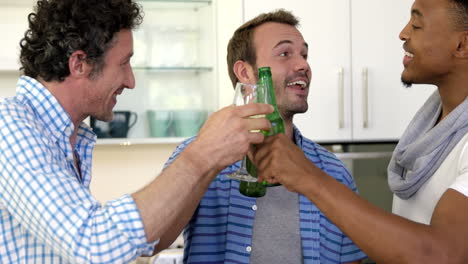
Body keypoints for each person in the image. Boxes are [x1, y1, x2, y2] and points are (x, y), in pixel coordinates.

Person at [0, 0, 273, 263]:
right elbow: (94, 245)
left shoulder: (64, 137)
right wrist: (201, 153)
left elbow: (138, 244)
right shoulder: (8, 126)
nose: (130, 81)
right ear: (79, 63)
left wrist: (211, 160)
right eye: (123, 63)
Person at [254, 0, 468, 263]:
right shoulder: (431, 129)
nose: (403, 33)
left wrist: (306, 175)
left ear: (462, 45)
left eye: (416, 24)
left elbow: (443, 255)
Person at [161, 10, 367, 264]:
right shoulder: (196, 156)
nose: (303, 65)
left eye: (304, 55)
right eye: (284, 54)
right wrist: (200, 164)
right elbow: (154, 239)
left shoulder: (335, 173)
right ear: (245, 73)